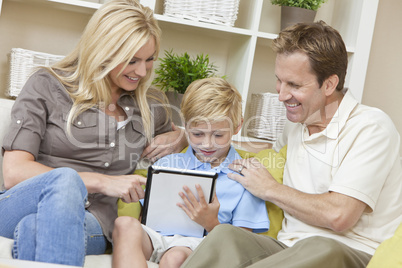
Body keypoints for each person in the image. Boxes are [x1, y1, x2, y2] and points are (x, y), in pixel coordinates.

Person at [180, 21, 402, 268]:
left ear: (329, 84)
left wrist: (269, 189)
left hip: (350, 252)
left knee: (319, 245)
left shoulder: (371, 127)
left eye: (294, 85)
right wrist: (183, 136)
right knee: (225, 235)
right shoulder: (297, 124)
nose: (281, 94)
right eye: (280, 81)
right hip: (287, 250)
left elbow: (339, 216)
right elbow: (267, 153)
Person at [0, 0, 187, 266]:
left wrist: (180, 136)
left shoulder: (150, 105)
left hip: (94, 219)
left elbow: (202, 139)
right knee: (65, 181)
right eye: (132, 61)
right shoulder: (47, 85)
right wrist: (102, 181)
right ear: (103, 51)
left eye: (149, 60)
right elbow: (14, 172)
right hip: (21, 203)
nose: (143, 71)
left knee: (35, 229)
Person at [112, 77, 270, 268]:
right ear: (185, 126)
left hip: (203, 242)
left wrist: (210, 222)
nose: (207, 144)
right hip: (158, 237)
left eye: (218, 135)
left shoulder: (246, 175)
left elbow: (242, 246)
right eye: (197, 134)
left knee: (174, 257)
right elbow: (144, 220)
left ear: (237, 126)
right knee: (124, 225)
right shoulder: (167, 164)